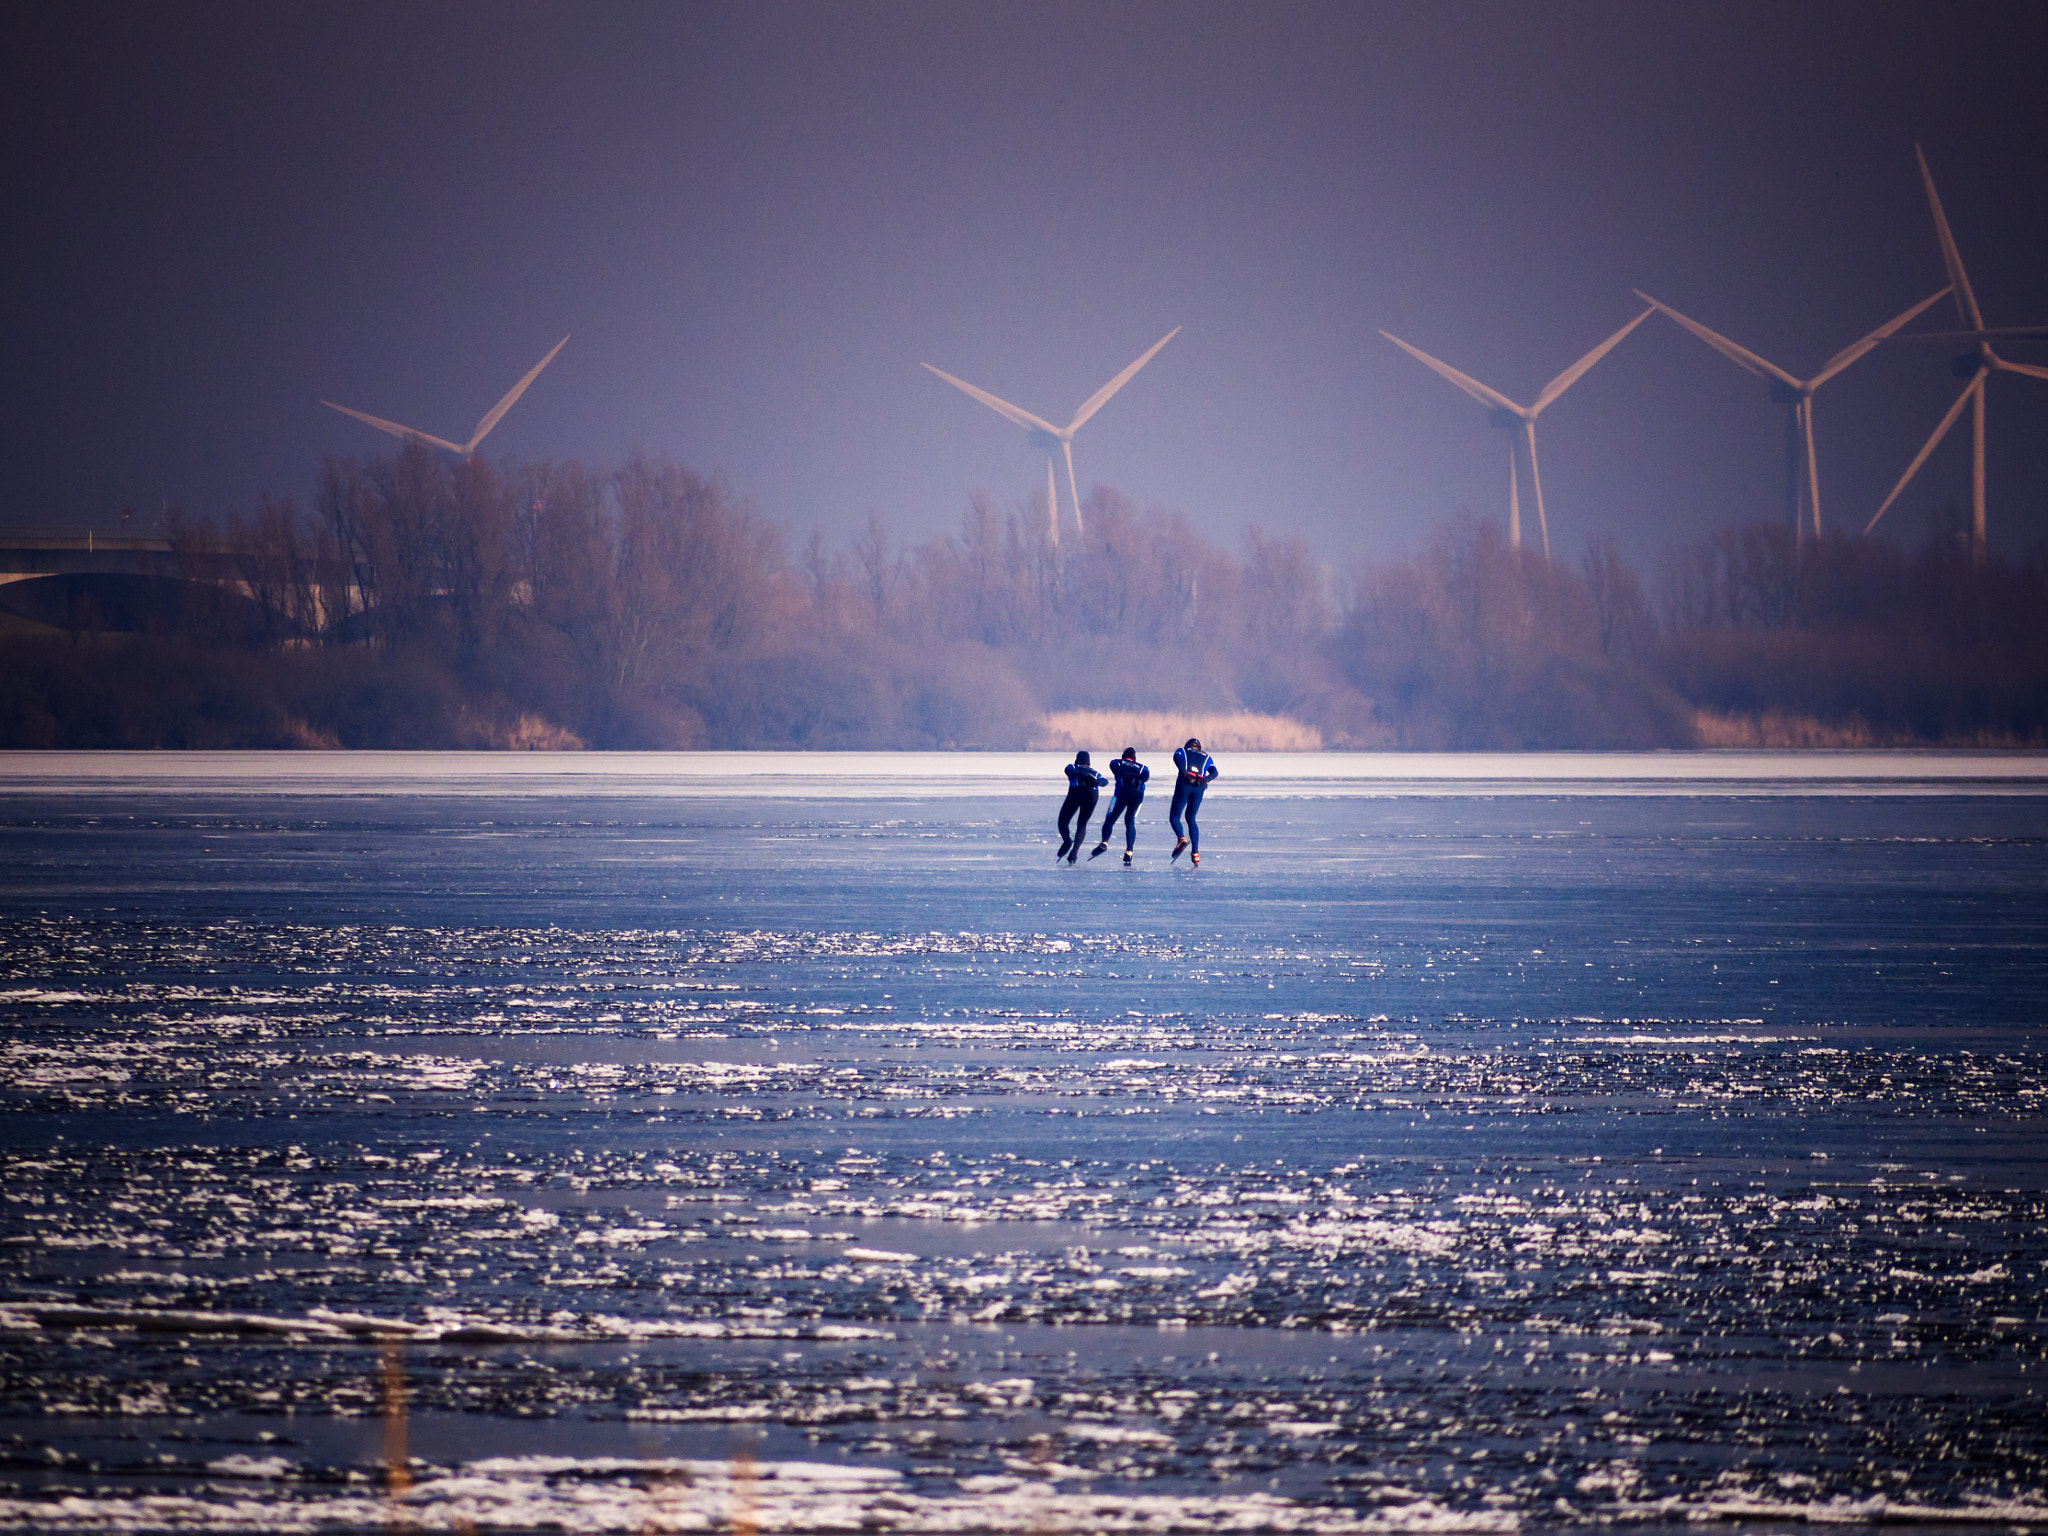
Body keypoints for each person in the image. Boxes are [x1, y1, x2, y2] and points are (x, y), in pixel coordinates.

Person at [1092, 747, 1149, 864]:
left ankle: (1104, 843)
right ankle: (1129, 851)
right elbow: (1146, 777)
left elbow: (1115, 768)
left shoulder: (1117, 762)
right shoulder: (1143, 767)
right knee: (1130, 820)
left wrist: (1127, 776)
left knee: (1110, 819)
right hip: (1138, 795)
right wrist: (1136, 778)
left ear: (1123, 756)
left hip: (1121, 794)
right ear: (1134, 758)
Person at [1169, 737, 1219, 865]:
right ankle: (1195, 853)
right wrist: (1206, 779)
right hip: (1199, 786)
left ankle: (1181, 838)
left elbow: (1177, 758)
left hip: (1185, 782)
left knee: (1175, 816)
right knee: (1191, 818)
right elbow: (1215, 772)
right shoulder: (1206, 757)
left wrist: (1184, 772)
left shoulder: (1183, 751)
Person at [1056, 750, 1108, 864]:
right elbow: (1104, 781)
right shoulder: (1095, 773)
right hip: (1092, 795)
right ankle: (1074, 853)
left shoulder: (1073, 767)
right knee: (1082, 823)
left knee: (1063, 821)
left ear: (1077, 759)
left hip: (1076, 792)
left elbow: (1068, 770)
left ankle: (1067, 841)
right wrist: (1096, 782)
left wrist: (1083, 777)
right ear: (1088, 762)